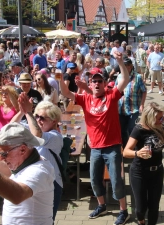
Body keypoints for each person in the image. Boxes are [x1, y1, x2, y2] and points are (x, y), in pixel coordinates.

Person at [59, 51, 130, 225]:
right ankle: (101, 205)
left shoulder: (111, 96)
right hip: (95, 147)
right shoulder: (86, 99)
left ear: (105, 83)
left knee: (116, 180)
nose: (97, 83)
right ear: (91, 83)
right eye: (94, 81)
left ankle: (123, 210)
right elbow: (66, 93)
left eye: (100, 81)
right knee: (94, 180)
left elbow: (125, 80)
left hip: (112, 146)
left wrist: (119, 61)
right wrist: (61, 77)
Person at [11, 98, 64, 221]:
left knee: (45, 220)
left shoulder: (56, 137)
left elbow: (37, 135)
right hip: (30, 179)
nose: (38, 120)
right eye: (37, 116)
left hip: (51, 183)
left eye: (42, 118)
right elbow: (10, 127)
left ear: (53, 121)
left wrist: (29, 114)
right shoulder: (32, 125)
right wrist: (22, 112)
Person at [115, 58, 146, 148]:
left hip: (134, 108)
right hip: (121, 108)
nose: (126, 67)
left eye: (128, 65)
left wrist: (142, 104)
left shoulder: (138, 77)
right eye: (124, 66)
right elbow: (115, 91)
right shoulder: (119, 77)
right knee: (123, 130)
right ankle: (126, 148)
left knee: (132, 129)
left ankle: (137, 147)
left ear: (131, 66)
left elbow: (144, 91)